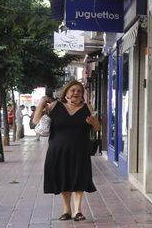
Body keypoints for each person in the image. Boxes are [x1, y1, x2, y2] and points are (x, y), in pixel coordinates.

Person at [33, 80, 101, 220]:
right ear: (66, 93)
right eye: (73, 90)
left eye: (79, 91)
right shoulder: (55, 106)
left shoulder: (88, 107)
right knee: (63, 178)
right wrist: (41, 103)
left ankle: (78, 211)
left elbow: (97, 128)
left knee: (79, 177)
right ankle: (66, 210)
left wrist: (95, 123)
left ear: (82, 94)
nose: (76, 93)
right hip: (58, 150)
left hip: (80, 150)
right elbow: (36, 121)